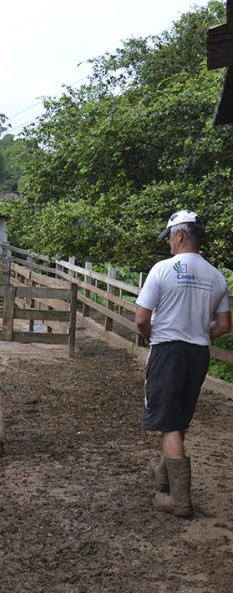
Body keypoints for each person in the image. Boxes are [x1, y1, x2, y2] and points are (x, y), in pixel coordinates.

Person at [135, 210, 231, 517]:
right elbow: (224, 325)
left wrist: (151, 335)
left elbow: (141, 318)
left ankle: (179, 499)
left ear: (179, 235)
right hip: (198, 354)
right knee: (178, 416)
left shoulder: (163, 270)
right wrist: (201, 334)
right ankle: (164, 472)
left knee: (168, 420)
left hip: (168, 350)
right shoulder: (216, 276)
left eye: (170, 238)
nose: (168, 244)